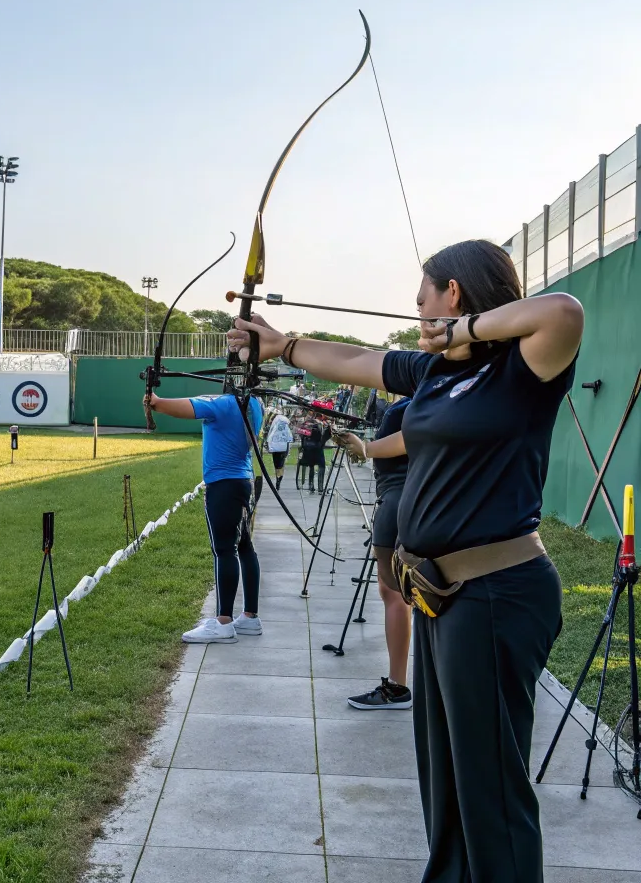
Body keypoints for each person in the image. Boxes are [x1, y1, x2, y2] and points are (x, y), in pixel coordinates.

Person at [228, 239, 583, 883]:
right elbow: (356, 360)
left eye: (423, 297)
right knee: (444, 772)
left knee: (491, 786)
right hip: (440, 594)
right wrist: (282, 346)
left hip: (497, 592)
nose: (417, 309)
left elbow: (562, 310)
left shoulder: (524, 367)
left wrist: (462, 331)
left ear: (454, 293)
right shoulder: (434, 373)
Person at [145, 390, 264, 643]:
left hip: (223, 485)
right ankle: (250, 617)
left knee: (224, 550)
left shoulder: (223, 404)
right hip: (244, 482)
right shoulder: (255, 404)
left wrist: (156, 402)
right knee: (244, 547)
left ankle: (223, 622)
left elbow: (181, 407)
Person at [336, 396, 413, 710]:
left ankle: (397, 687)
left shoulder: (420, 401)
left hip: (399, 502)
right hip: (402, 500)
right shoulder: (422, 399)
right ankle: (401, 685)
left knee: (396, 594)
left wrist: (365, 448)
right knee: (397, 592)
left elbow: (412, 439)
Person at [297, 411, 330, 493]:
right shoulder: (322, 424)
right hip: (318, 448)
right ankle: (320, 487)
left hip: (308, 448)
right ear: (321, 416)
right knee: (321, 466)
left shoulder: (306, 423)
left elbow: (301, 434)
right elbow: (325, 436)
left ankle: (311, 485)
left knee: (311, 466)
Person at [264, 406, 293, 490]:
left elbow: (270, 434)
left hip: (275, 447)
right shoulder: (286, 423)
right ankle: (279, 479)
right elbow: (289, 436)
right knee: (281, 464)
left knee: (276, 464)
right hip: (284, 447)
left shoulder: (274, 423)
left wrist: (268, 443)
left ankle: (278, 477)